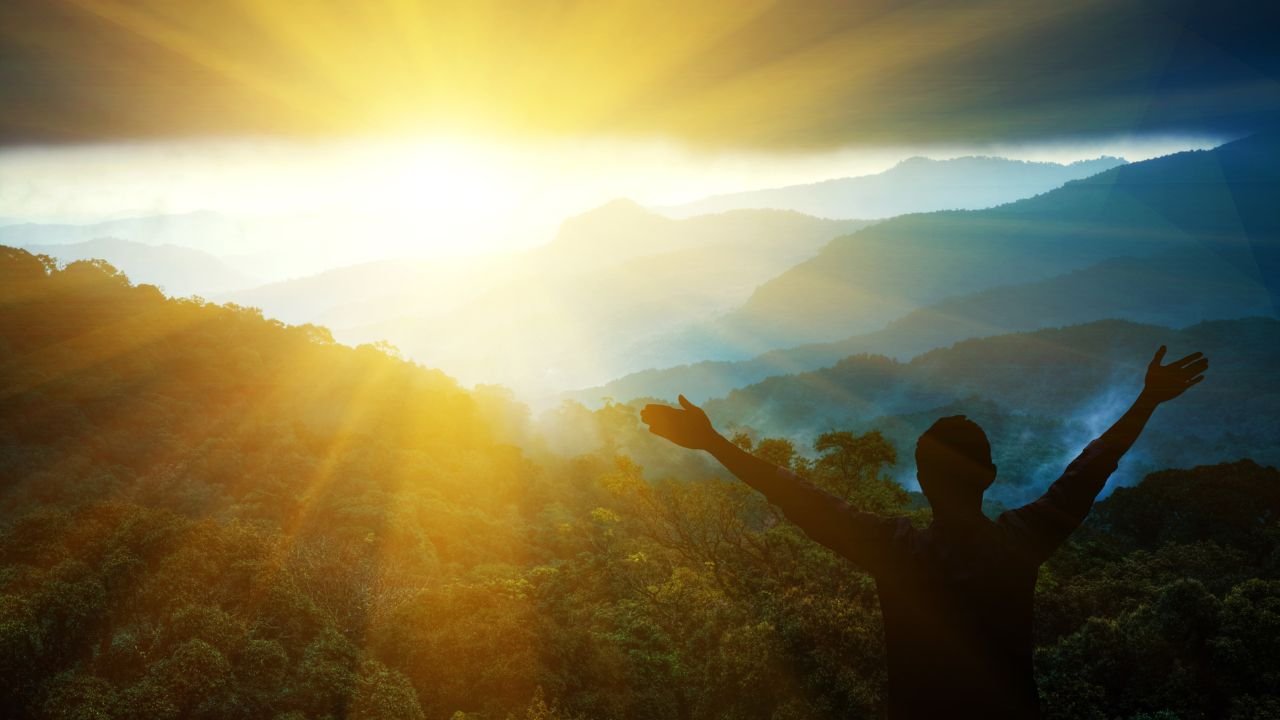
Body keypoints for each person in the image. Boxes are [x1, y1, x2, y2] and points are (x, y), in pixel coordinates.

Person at [640, 346, 1208, 719]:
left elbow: (795, 494)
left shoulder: (894, 552)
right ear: (989, 475)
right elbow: (1088, 470)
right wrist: (1147, 401)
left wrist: (714, 442)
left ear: (919, 479)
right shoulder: (1020, 544)